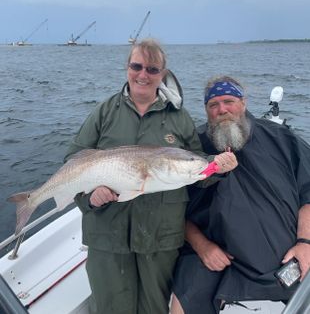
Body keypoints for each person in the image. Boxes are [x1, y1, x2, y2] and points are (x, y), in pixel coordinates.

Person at [64, 40, 237, 314]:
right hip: (107, 235)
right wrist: (91, 199)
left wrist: (217, 169)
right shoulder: (105, 112)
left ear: (163, 73)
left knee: (154, 308)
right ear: (127, 68)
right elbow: (73, 163)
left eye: (152, 69)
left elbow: (197, 172)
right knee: (111, 308)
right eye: (136, 66)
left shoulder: (180, 119)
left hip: (161, 237)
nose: (143, 75)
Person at [171, 76, 310, 314]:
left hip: (280, 253)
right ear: (206, 110)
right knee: (182, 305)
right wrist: (202, 246)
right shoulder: (193, 149)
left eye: (228, 101)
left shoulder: (282, 140)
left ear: (243, 103)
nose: (222, 109)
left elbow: (308, 192)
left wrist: (305, 243)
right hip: (215, 256)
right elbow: (171, 209)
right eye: (213, 105)